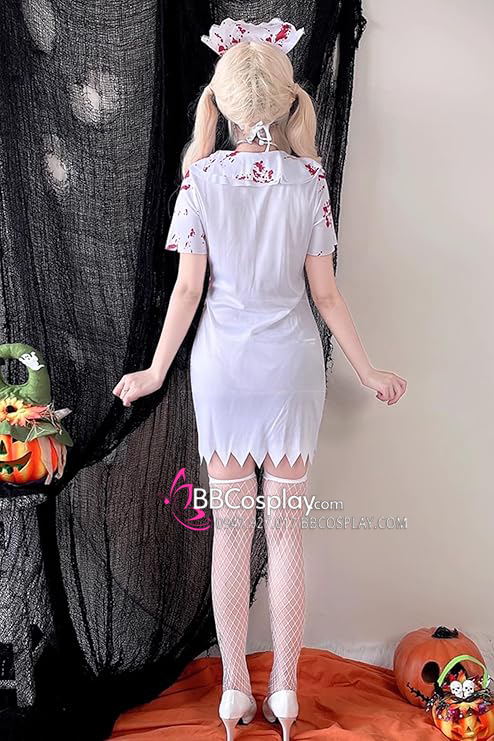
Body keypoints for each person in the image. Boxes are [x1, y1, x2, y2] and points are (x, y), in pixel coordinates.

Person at [112, 17, 407, 741]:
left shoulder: (202, 179)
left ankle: (233, 693)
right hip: (291, 368)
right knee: (289, 535)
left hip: (223, 370)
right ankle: (286, 692)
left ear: (223, 104)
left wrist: (154, 370)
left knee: (229, 534)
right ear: (282, 102)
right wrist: (368, 369)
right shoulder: (310, 181)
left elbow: (187, 291)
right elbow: (325, 294)